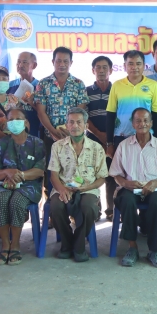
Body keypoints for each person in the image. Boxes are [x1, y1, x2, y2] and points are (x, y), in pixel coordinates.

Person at [109, 108, 157, 268]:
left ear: (151, 123)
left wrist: (156, 183)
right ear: (133, 124)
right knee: (126, 200)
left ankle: (155, 250)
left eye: (146, 120)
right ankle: (132, 248)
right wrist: (125, 183)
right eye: (138, 121)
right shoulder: (124, 145)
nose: (142, 124)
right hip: (130, 188)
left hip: (154, 188)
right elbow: (115, 174)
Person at [49, 108, 108, 262]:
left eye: (79, 122)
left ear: (86, 125)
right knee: (55, 206)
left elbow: (102, 178)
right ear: (67, 125)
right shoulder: (57, 146)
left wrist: (86, 188)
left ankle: (79, 245)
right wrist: (61, 189)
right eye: (71, 122)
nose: (75, 126)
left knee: (88, 207)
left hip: (88, 189)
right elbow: (53, 175)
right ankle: (67, 243)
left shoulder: (96, 148)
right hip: (63, 187)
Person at [0, 108, 46, 265]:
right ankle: (5, 244)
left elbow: (40, 171)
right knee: (0, 200)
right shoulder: (1, 144)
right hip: (4, 183)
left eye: (18, 119)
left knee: (17, 201)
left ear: (26, 122)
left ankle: (15, 244)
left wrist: (20, 175)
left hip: (29, 185)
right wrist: (7, 172)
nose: (14, 122)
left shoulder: (37, 143)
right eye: (11, 120)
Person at [34, 46, 89, 197]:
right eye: (59, 61)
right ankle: (52, 205)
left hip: (74, 137)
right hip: (49, 137)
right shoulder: (43, 84)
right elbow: (41, 111)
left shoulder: (78, 84)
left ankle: (75, 203)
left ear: (71, 63)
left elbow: (81, 108)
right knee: (51, 171)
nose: (62, 64)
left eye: (65, 61)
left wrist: (69, 130)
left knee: (74, 170)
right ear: (53, 62)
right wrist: (53, 132)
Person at [106, 50, 157, 158]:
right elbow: (110, 114)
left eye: (138, 63)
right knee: (122, 167)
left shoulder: (153, 85)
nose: (134, 67)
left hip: (145, 136)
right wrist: (109, 143)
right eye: (130, 63)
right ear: (124, 66)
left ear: (144, 66)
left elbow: (156, 115)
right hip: (121, 136)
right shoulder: (117, 85)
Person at [86, 56, 116, 221]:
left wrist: (109, 139)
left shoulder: (116, 89)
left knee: (111, 175)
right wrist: (99, 134)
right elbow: (84, 116)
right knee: (92, 174)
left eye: (105, 67)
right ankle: (94, 209)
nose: (102, 71)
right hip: (92, 139)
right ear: (93, 70)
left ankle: (111, 210)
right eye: (98, 67)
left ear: (111, 70)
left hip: (112, 141)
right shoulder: (86, 91)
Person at [7, 52, 41, 137]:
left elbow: (45, 113)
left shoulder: (41, 87)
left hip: (35, 133)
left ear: (34, 65)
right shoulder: (9, 86)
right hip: (12, 134)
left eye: (25, 62)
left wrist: (32, 103)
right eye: (18, 62)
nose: (20, 65)